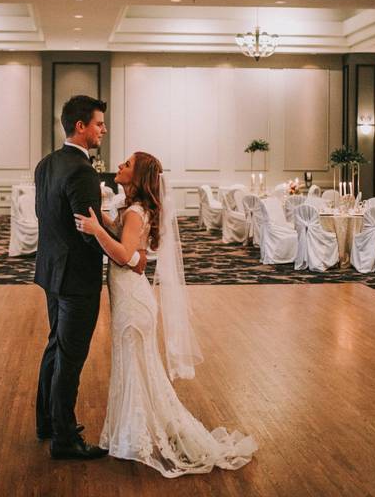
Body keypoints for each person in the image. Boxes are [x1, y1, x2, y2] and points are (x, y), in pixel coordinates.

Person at [74, 151, 257, 477]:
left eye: (127, 165)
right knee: (133, 369)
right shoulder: (133, 210)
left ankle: (135, 437)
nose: (120, 166)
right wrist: (103, 214)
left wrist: (95, 229)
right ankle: (128, 435)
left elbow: (123, 254)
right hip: (132, 297)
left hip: (133, 301)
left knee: (135, 369)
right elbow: (131, 248)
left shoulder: (134, 213)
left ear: (139, 176)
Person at [33, 95, 146, 460]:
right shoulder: (82, 171)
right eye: (99, 124)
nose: (104, 130)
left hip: (51, 270)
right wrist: (129, 250)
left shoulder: (46, 164)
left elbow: (47, 217)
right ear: (80, 127)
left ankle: (47, 422)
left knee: (55, 346)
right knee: (71, 357)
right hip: (76, 279)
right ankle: (64, 439)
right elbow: (87, 230)